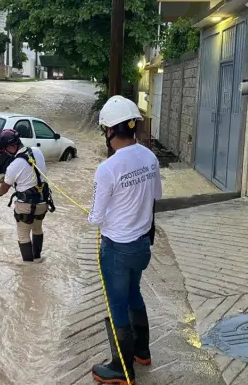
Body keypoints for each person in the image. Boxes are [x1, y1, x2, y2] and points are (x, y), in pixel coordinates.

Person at [88, 95, 162, 384]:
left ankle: (122, 367)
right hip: (142, 246)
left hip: (117, 250)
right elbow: (156, 196)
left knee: (117, 303)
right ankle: (142, 352)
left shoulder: (107, 168)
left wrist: (97, 213)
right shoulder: (150, 157)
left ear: (109, 131)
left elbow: (95, 217)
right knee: (134, 294)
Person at [0, 129, 55, 263]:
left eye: (5, 149)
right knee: (37, 228)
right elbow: (32, 173)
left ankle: (28, 267)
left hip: (25, 206)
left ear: (12, 146)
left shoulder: (13, 166)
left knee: (23, 234)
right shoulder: (37, 151)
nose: (5, 152)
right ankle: (37, 258)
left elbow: (4, 189)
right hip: (43, 203)